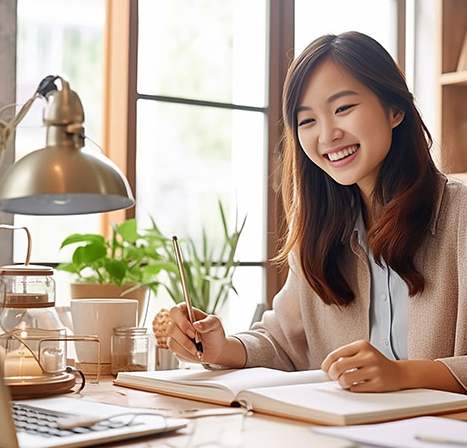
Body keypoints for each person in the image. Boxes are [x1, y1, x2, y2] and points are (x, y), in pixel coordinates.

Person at [166, 31, 467, 394]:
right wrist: (223, 347)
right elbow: (286, 342)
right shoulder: (321, 232)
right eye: (306, 121)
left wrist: (405, 375)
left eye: (343, 109)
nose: (327, 135)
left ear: (395, 110)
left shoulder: (459, 216)